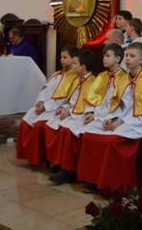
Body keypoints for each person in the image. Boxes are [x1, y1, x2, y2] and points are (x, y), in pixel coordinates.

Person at [76, 42, 142, 191]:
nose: (128, 59)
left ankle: (114, 185)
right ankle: (94, 180)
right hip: (124, 118)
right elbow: (118, 104)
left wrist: (121, 121)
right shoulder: (123, 79)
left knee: (112, 141)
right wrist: (112, 118)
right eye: (127, 56)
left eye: (132, 56)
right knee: (90, 135)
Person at [15, 45, 80, 165]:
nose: (61, 59)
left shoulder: (74, 78)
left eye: (65, 57)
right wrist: (40, 102)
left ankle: (41, 158)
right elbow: (45, 89)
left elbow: (63, 98)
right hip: (44, 106)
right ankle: (28, 155)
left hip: (53, 109)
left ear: (73, 59)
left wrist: (45, 106)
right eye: (61, 57)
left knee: (39, 125)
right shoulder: (57, 74)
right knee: (26, 120)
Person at [46, 49, 97, 185]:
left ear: (83, 67)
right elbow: (73, 100)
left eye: (74, 63)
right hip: (75, 113)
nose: (72, 66)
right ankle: (58, 163)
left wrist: (71, 112)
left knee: (67, 131)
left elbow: (91, 104)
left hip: (85, 115)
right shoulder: (78, 80)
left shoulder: (93, 82)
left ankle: (68, 170)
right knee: (53, 124)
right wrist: (64, 108)